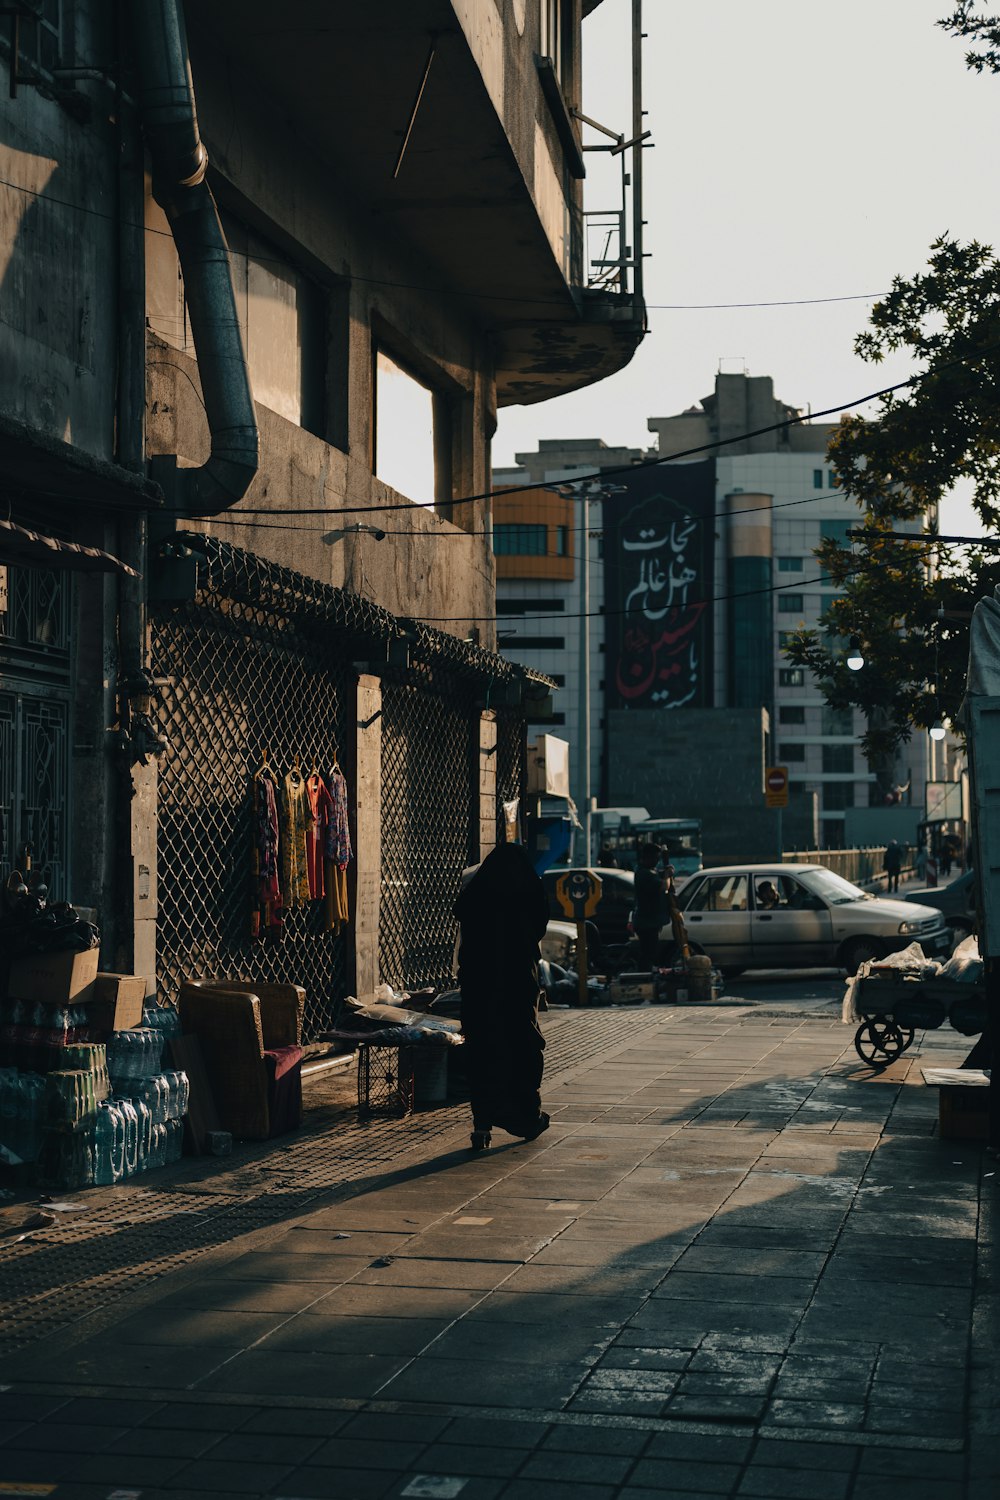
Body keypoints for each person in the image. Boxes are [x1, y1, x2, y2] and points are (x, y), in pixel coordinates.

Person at [454, 843, 551, 1152]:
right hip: (517, 985)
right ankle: (525, 1116)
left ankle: (481, 1125)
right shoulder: (526, 894)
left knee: (483, 1051)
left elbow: (464, 927)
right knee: (522, 1048)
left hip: (479, 988)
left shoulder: (477, 896)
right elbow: (540, 924)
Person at [633, 842, 665, 970]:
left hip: (648, 921)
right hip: (647, 922)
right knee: (648, 953)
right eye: (656, 858)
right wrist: (667, 876)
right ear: (648, 857)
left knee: (648, 952)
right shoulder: (644, 874)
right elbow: (664, 886)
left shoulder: (644, 871)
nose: (657, 862)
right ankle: (643, 976)